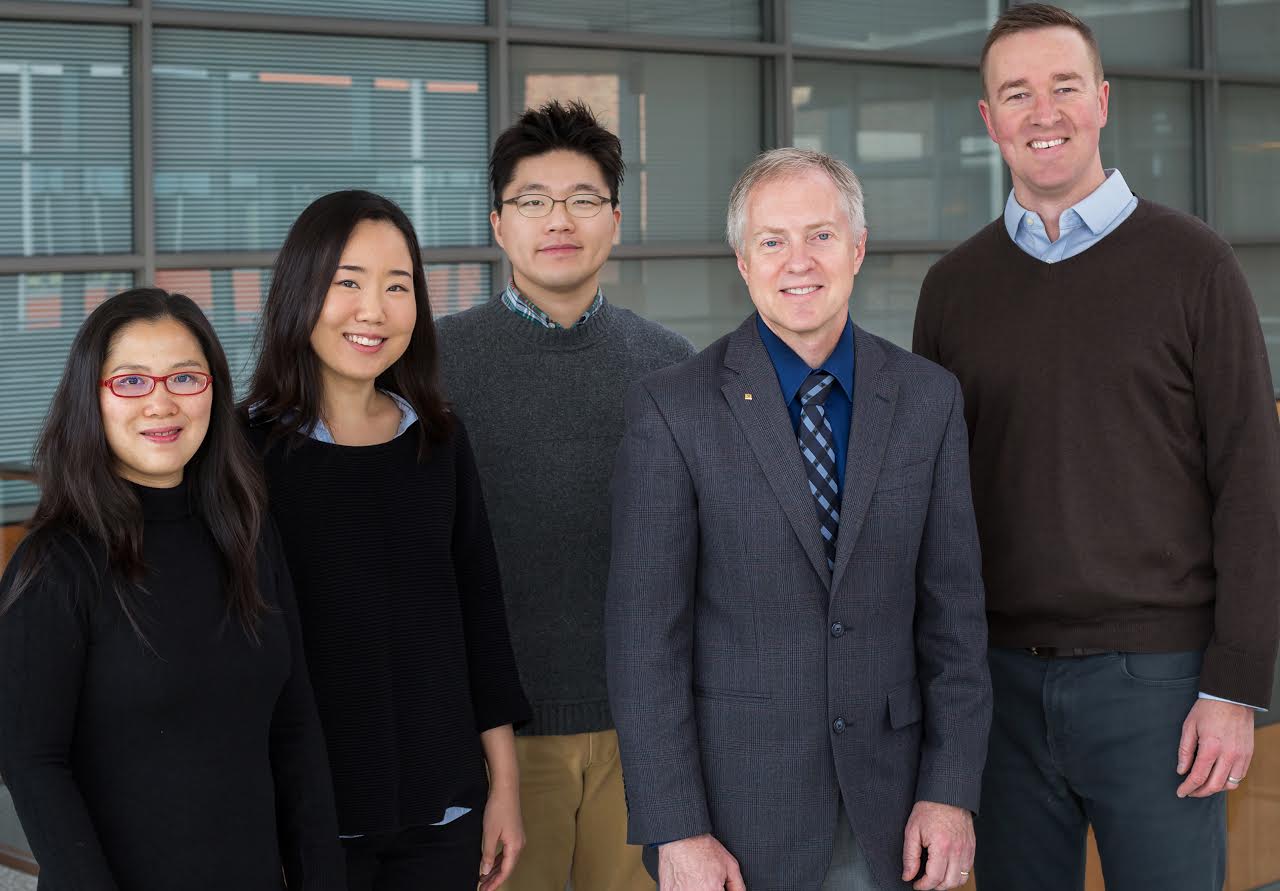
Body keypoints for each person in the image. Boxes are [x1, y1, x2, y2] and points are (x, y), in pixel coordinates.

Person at [912, 5, 1280, 890]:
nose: (1045, 112)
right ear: (987, 119)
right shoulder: (952, 289)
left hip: (1159, 687)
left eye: (1064, 87)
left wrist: (1234, 688)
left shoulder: (1196, 265)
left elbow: (1254, 486)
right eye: (1018, 93)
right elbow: (931, 507)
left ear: (1103, 100)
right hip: (998, 693)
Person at [606, 147, 991, 891]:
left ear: (857, 247)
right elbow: (644, 644)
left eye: (819, 234)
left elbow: (956, 618)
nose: (798, 261)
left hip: (895, 805)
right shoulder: (673, 408)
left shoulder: (928, 399)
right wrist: (677, 827)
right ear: (743, 262)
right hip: (737, 816)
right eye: (772, 241)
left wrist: (951, 789)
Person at [0, 287, 344, 890]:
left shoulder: (249, 537)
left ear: (212, 391)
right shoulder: (55, 562)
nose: (161, 404)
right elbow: (32, 763)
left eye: (185, 378)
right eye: (131, 381)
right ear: (93, 399)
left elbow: (295, 732)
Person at [435, 98, 694, 891]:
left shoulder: (671, 366)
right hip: (502, 742)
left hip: (644, 733)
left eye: (583, 200)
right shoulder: (434, 367)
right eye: (533, 201)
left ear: (615, 220)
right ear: (498, 222)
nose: (560, 219)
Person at [243, 190, 531, 891]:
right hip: (307, 821)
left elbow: (480, 617)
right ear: (300, 289)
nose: (373, 310)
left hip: (442, 810)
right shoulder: (242, 450)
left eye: (397, 287)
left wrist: (505, 788)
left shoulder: (437, 439)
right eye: (347, 282)